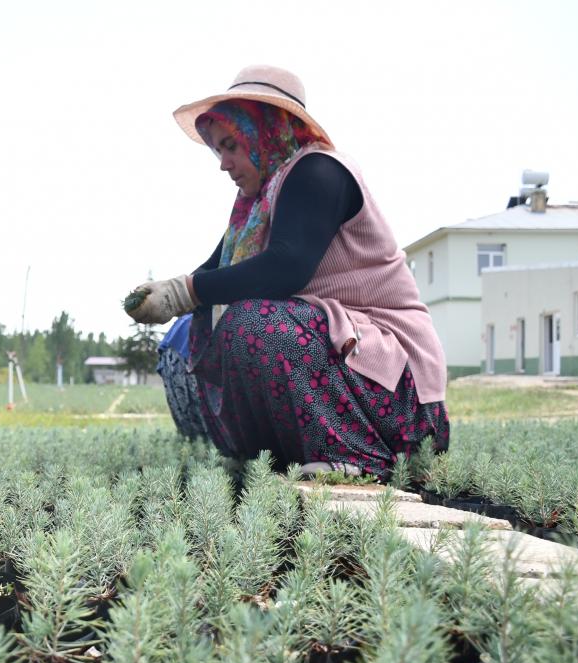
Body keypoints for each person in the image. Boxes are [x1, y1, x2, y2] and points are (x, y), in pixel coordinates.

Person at [126, 65, 449, 479]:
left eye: (231, 145)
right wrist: (167, 296)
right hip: (346, 361)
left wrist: (185, 292)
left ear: (267, 131)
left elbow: (286, 267)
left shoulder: (319, 172)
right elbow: (214, 273)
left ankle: (360, 457)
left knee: (252, 325)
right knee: (185, 336)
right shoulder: (260, 204)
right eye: (218, 150)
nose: (223, 164)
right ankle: (273, 457)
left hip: (399, 387)